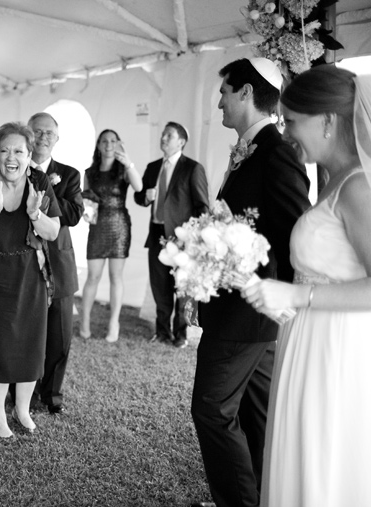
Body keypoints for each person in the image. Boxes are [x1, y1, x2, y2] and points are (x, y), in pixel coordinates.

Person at [241, 66, 371, 507]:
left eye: (292, 121)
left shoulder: (357, 187)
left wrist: (299, 295)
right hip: (307, 336)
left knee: (322, 463)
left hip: (336, 347)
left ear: (328, 121)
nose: (285, 131)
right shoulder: (332, 180)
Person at [190, 58, 310, 507]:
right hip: (244, 312)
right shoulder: (250, 149)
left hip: (247, 311)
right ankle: (265, 496)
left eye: (224, 92)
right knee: (256, 414)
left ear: (245, 92)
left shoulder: (276, 153)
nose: (219, 101)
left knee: (211, 409)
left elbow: (296, 234)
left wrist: (276, 294)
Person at [0, 122, 61, 439]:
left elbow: (53, 232)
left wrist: (34, 214)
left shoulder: (39, 181)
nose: (11, 157)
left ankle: (22, 409)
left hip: (30, 276)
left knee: (30, 345)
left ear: (30, 154)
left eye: (19, 151)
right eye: (4, 150)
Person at [27, 112, 83, 415]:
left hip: (59, 261)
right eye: (38, 131)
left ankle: (52, 395)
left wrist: (45, 191)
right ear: (28, 134)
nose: (43, 137)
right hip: (24, 261)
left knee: (60, 336)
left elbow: (73, 215)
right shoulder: (15, 168)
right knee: (26, 333)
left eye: (49, 133)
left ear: (57, 138)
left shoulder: (69, 174)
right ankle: (22, 392)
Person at [134, 122, 209, 349]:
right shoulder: (153, 167)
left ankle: (181, 334)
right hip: (157, 235)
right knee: (160, 287)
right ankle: (162, 332)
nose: (163, 138)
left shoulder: (192, 168)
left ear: (181, 142)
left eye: (169, 135)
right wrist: (145, 197)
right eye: (163, 135)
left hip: (183, 239)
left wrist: (194, 238)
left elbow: (202, 206)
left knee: (183, 288)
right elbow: (140, 197)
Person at [79, 129, 143, 343]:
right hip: (97, 226)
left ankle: (114, 322)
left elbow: (139, 187)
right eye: (104, 141)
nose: (108, 144)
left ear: (118, 144)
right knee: (93, 276)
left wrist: (128, 162)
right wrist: (86, 212)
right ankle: (85, 321)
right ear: (98, 145)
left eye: (113, 141)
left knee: (116, 276)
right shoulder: (89, 173)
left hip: (119, 227)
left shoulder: (124, 169)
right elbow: (86, 199)